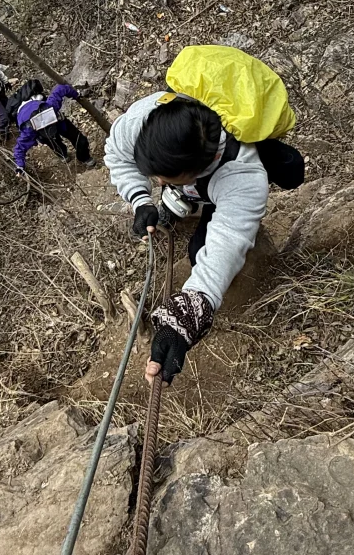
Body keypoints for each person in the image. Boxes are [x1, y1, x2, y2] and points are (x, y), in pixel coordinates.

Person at [104, 45, 304, 386]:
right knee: (184, 218)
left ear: (198, 169)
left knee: (201, 252)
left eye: (166, 180)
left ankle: (270, 158)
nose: (158, 183)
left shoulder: (242, 178)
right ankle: (187, 199)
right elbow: (117, 156)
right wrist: (141, 200)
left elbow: (226, 243)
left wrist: (187, 314)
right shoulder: (145, 118)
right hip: (197, 175)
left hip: (222, 182)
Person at [11, 79, 93, 171]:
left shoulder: (51, 106)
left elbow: (61, 89)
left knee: (79, 139)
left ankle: (84, 157)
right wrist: (20, 166)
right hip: (39, 129)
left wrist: (76, 95)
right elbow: (20, 148)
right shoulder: (29, 130)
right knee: (54, 143)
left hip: (56, 121)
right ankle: (62, 154)